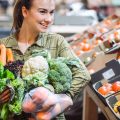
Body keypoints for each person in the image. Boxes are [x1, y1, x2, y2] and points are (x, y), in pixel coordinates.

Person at [0, 0, 91, 120]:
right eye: (42, 12)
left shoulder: (57, 41)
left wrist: (62, 98)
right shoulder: (3, 45)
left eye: (51, 12)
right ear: (25, 11)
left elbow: (83, 75)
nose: (49, 19)